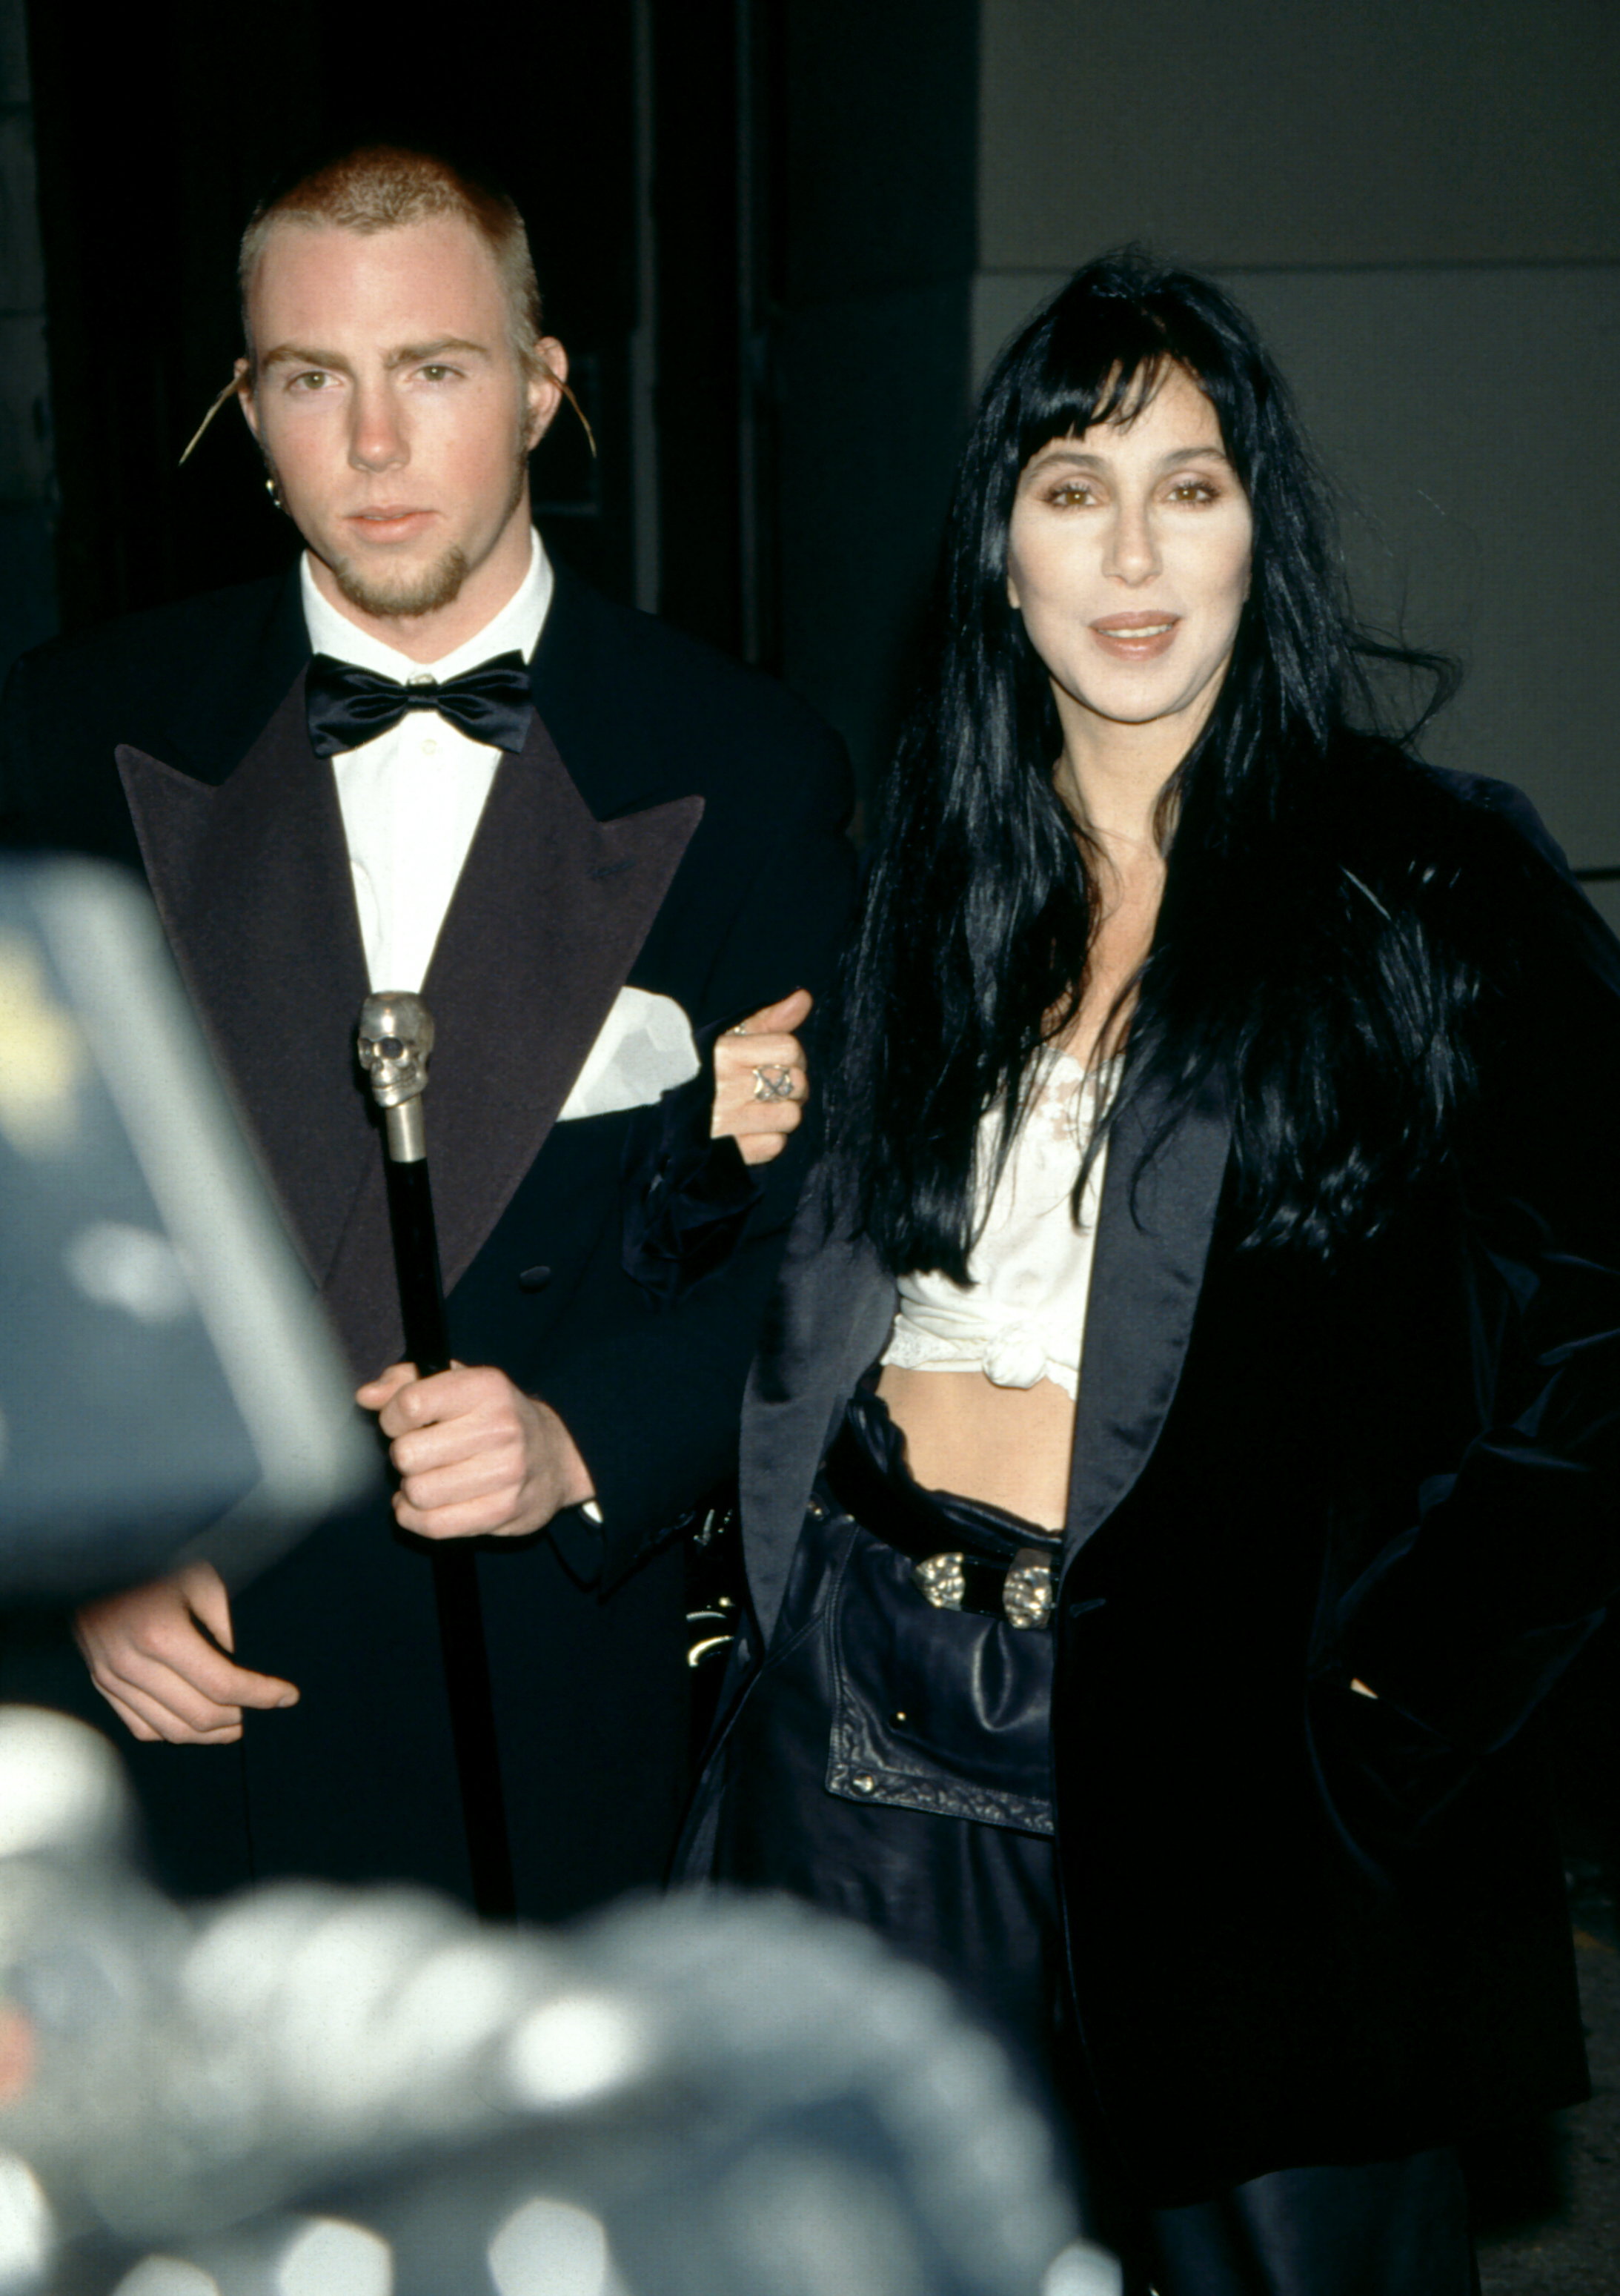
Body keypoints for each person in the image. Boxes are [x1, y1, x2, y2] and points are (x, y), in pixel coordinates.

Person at [688, 252, 1620, 2294]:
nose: (1128, 550)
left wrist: (1387, 1703)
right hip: (862, 1724)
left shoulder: (1421, 884)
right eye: (1069, 485)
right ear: (997, 551)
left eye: (1187, 489)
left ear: (1254, 534)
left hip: (1241, 1785)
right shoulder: (913, 886)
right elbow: (798, 1300)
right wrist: (736, 1164)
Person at [0, 142, 853, 1922]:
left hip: (556, 1689)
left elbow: (819, 1234)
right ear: (249, 408)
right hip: (186, 1696)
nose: (374, 448)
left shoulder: (748, 762)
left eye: (436, 372)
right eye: (315, 380)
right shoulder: (76, 730)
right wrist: (87, 1546)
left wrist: (581, 1438)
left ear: (542, 389)